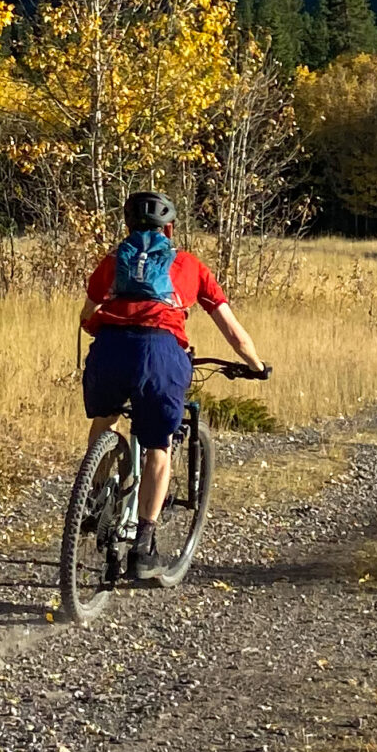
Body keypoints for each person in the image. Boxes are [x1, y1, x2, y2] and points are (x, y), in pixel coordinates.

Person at [81, 190, 269, 582]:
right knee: (158, 447)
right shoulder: (189, 265)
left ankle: (95, 495)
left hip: (110, 350)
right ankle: (144, 547)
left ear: (129, 227)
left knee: (105, 418)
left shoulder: (115, 261)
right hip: (160, 354)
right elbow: (233, 332)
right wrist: (256, 365)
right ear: (169, 228)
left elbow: (87, 317)